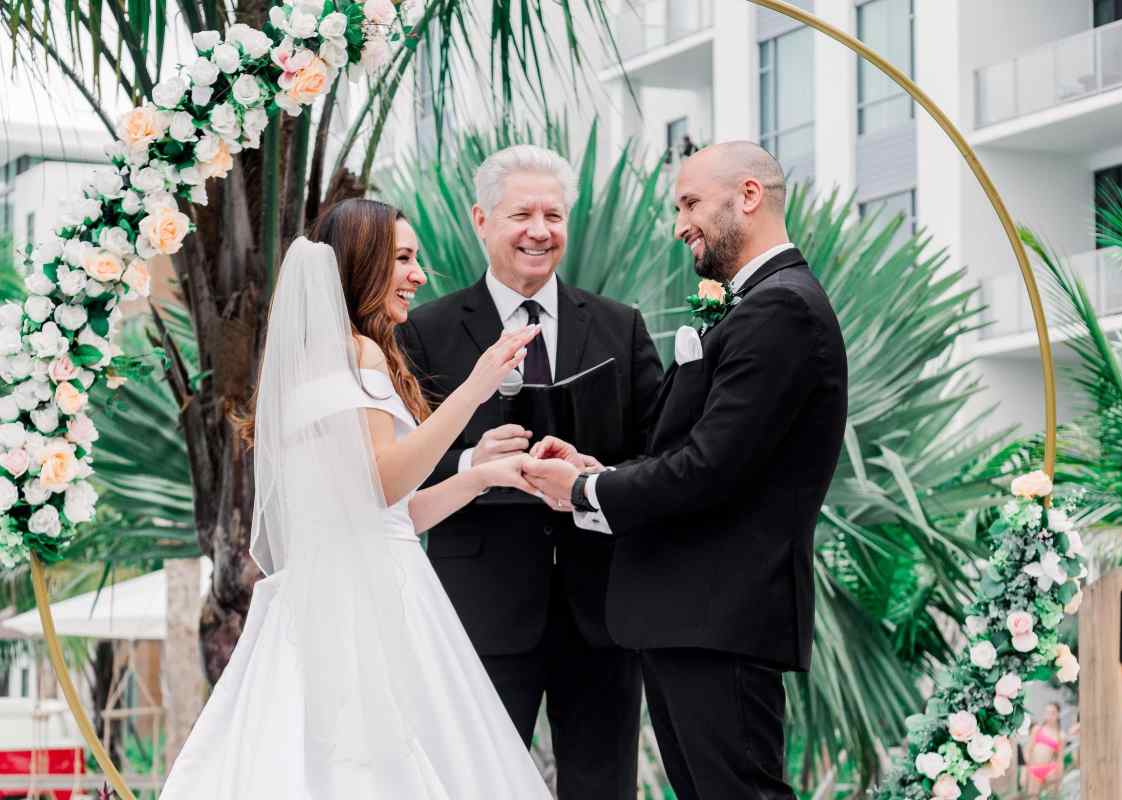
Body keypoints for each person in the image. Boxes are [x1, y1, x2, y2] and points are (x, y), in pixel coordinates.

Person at [160, 199, 552, 798]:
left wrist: (481, 476)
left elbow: (389, 514)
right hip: (373, 602)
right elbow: (383, 482)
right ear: (360, 266)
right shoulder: (356, 352)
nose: (419, 274)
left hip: (344, 583)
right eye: (402, 258)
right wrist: (475, 388)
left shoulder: (318, 359)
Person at [524, 141, 849, 800]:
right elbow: (700, 452)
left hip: (719, 618)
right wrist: (592, 470)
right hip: (694, 619)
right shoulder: (760, 307)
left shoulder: (780, 309)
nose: (680, 224)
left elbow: (706, 470)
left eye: (691, 203)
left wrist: (584, 490)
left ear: (749, 195)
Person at [398, 145, 663, 800]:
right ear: (481, 221)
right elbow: (392, 472)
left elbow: (661, 454)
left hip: (600, 610)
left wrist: (596, 474)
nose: (540, 231)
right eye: (522, 214)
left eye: (554, 214)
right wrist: (474, 462)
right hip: (478, 609)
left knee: (605, 789)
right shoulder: (424, 332)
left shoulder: (618, 326)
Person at [1024, 702, 1066, 796]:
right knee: (1032, 796)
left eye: (1053, 713)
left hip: (1050, 770)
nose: (1049, 716)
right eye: (1047, 712)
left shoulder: (1060, 735)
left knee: (1050, 796)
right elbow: (1028, 750)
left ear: (1058, 715)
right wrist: (1028, 768)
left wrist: (1060, 780)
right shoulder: (1037, 729)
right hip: (1034, 769)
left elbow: (1060, 760)